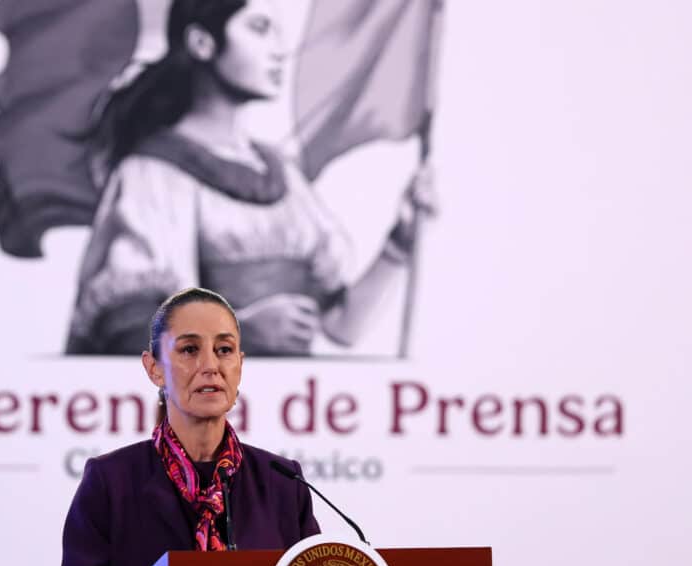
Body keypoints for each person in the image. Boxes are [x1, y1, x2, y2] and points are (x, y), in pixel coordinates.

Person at [66, 0, 435, 356]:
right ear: (202, 43)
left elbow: (342, 326)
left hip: (293, 407)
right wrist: (237, 333)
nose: (278, 51)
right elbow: (128, 331)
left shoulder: (283, 176)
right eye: (259, 29)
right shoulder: (152, 173)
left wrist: (399, 243)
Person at [52, 287, 320, 566]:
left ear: (240, 365)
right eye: (190, 350)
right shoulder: (110, 481)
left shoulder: (283, 482)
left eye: (224, 350)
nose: (211, 366)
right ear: (154, 369)